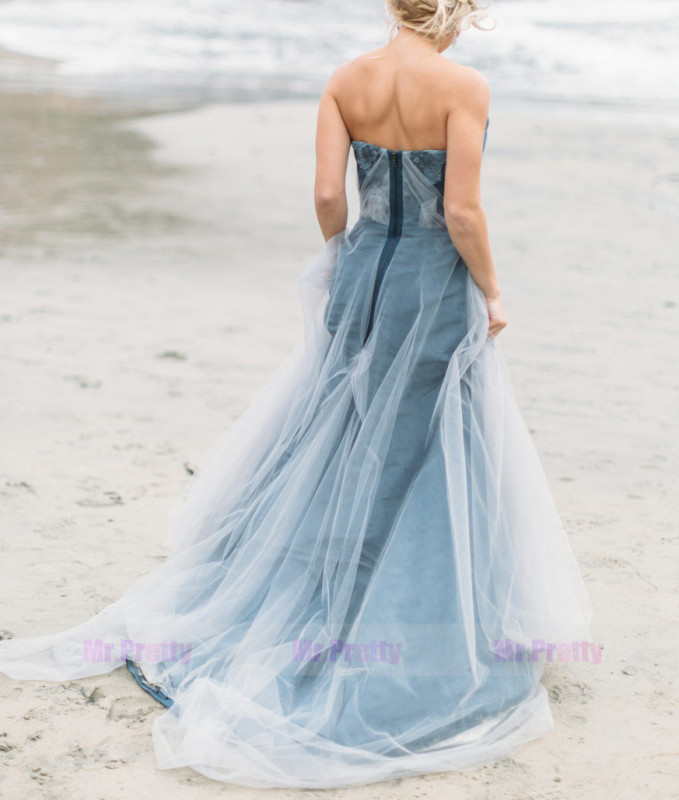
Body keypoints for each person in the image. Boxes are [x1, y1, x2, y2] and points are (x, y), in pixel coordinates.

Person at [0, 0, 593, 790]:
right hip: (430, 285)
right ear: (455, 13)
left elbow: (326, 196)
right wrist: (491, 290)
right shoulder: (463, 86)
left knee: (338, 432)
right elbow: (459, 208)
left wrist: (345, 262)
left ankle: (311, 590)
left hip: (360, 275)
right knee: (424, 446)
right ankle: (402, 622)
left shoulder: (346, 80)